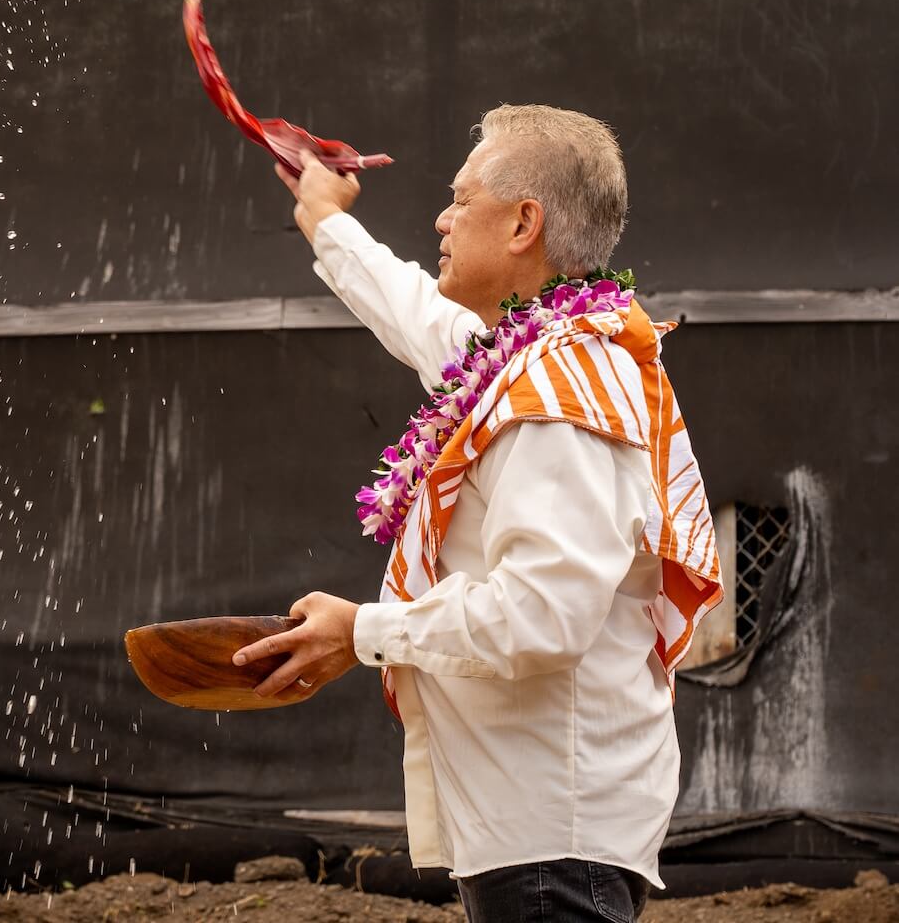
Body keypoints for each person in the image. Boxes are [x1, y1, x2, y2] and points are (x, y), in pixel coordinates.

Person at [232, 105, 722, 922]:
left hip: (553, 839)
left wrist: (362, 632)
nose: (441, 218)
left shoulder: (556, 394)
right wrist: (323, 217)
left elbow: (541, 615)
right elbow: (418, 316)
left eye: (461, 200)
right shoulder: (531, 357)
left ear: (524, 223)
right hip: (540, 829)